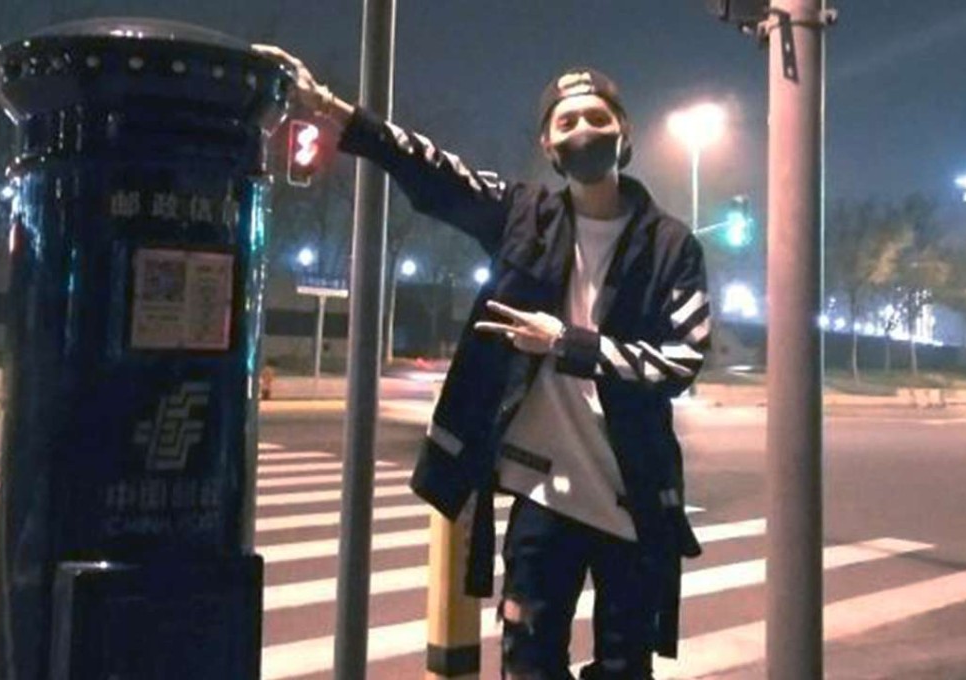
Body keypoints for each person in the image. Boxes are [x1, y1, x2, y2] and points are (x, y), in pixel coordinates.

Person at [256, 45, 710, 680]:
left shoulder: (671, 247)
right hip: (543, 499)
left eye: (598, 118)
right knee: (526, 662)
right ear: (550, 147)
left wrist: (566, 343)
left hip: (632, 502)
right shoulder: (524, 216)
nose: (584, 131)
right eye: (567, 122)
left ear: (624, 133)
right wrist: (331, 109)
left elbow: (679, 363)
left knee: (624, 669)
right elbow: (435, 172)